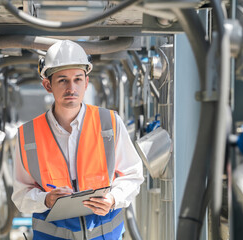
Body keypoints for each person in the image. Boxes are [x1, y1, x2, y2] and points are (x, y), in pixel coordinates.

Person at [12, 40, 144, 240]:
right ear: (48, 85)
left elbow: (133, 175)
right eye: (62, 80)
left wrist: (113, 198)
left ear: (86, 82)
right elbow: (21, 195)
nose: (71, 88)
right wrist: (45, 199)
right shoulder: (28, 135)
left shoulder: (109, 123)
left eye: (78, 79)